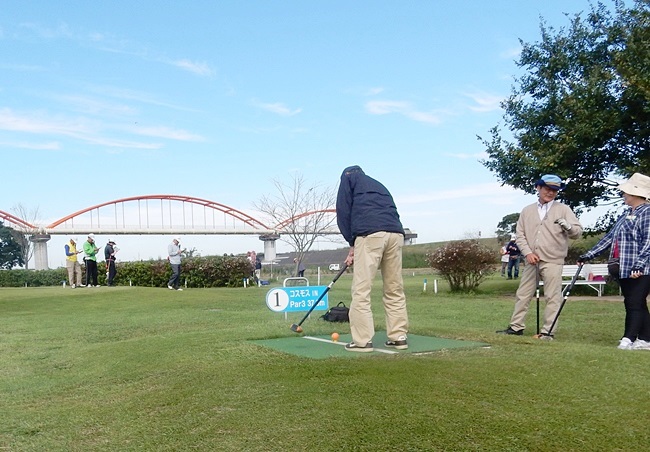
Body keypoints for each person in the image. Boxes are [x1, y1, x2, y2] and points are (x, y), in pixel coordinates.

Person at [496, 174, 582, 340]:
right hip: (532, 260)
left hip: (553, 260)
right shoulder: (527, 210)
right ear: (538, 188)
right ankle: (516, 327)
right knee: (523, 294)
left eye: (554, 190)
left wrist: (568, 226)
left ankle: (548, 331)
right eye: (547, 189)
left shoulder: (564, 209)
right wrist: (527, 253)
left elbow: (577, 233)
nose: (550, 193)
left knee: (552, 297)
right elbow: (520, 235)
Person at [336, 165, 408, 352]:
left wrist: (352, 243)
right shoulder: (378, 185)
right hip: (396, 234)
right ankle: (399, 337)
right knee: (394, 287)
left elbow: (343, 212)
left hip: (369, 235)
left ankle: (362, 341)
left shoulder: (348, 181)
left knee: (361, 289)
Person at [578, 173, 650, 350]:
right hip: (624, 267)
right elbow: (609, 238)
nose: (623, 194)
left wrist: (639, 265)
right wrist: (588, 255)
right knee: (635, 302)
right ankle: (646, 339)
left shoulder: (647, 212)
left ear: (636, 193)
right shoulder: (626, 214)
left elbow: (648, 241)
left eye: (626, 192)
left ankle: (628, 338)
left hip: (642, 268)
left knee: (634, 302)